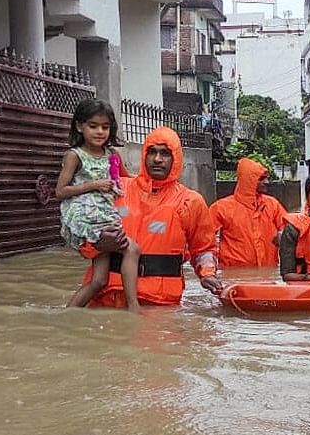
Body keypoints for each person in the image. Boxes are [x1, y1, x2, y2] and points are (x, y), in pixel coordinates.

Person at [83, 126, 223, 307]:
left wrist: (207, 274)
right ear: (144, 155)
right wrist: (97, 242)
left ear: (176, 158)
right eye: (152, 152)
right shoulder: (116, 190)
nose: (157, 159)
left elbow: (204, 249)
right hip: (104, 297)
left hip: (158, 302)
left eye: (165, 153)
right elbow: (81, 233)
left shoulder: (190, 202)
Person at [56, 98, 141, 311]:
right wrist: (94, 184)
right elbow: (60, 191)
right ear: (79, 126)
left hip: (105, 214)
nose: (99, 132)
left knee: (100, 280)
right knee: (132, 248)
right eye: (93, 126)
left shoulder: (112, 155)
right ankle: (134, 308)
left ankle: (67, 315)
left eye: (105, 127)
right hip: (85, 216)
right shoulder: (74, 155)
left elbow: (126, 179)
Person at [209, 157, 287, 267]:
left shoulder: (272, 205)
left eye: (267, 178)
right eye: (262, 179)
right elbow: (203, 240)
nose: (267, 182)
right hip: (234, 275)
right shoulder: (221, 208)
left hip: (268, 274)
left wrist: (282, 234)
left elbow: (289, 226)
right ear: (249, 180)